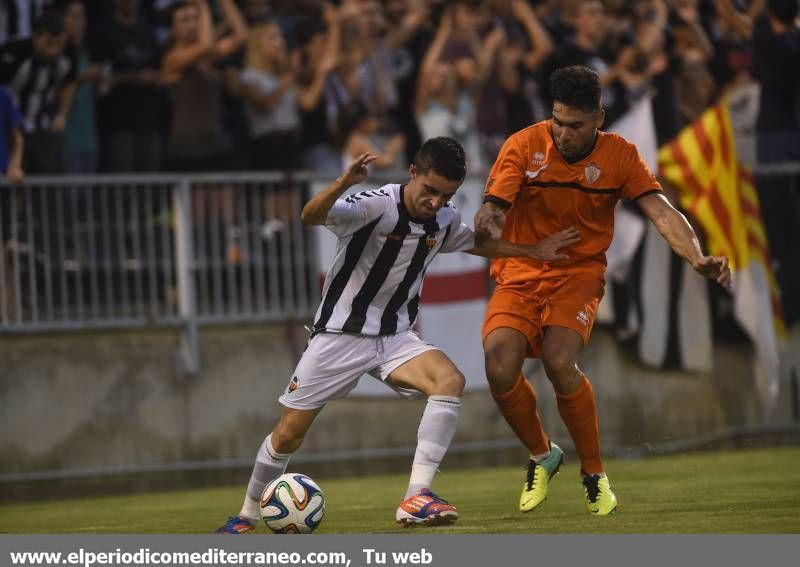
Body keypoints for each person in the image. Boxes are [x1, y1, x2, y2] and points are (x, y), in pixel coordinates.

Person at [215, 136, 581, 533]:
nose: (436, 202)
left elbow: (476, 242)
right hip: (339, 336)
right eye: (430, 191)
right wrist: (342, 182)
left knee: (449, 380)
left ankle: (416, 496)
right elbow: (310, 216)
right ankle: (246, 516)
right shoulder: (374, 205)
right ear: (412, 173)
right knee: (288, 434)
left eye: (446, 195)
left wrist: (534, 251)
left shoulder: (443, 218)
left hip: (394, 338)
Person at [474, 65, 731, 516]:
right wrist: (491, 218)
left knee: (558, 360)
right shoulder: (524, 145)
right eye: (557, 120)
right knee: (498, 368)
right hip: (521, 269)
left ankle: (593, 471)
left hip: (578, 274)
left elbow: (662, 212)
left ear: (599, 118)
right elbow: (495, 206)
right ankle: (542, 453)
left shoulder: (620, 156)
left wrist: (696, 257)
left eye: (574, 125)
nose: (562, 133)